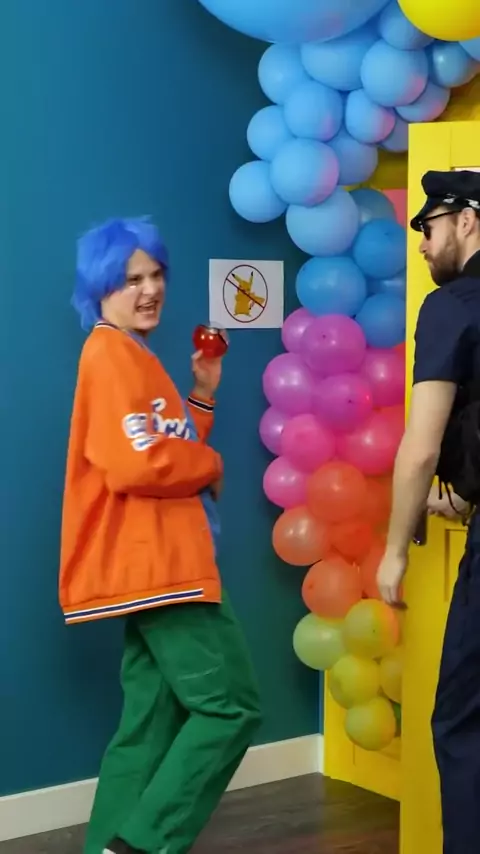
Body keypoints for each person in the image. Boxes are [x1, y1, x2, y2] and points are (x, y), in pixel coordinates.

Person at [59, 217, 261, 854]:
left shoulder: (130, 354)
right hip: (163, 566)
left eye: (156, 275)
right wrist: (213, 463)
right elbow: (135, 465)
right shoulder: (110, 354)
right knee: (231, 708)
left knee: (149, 724)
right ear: (100, 287)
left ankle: (106, 848)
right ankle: (142, 845)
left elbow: (165, 447)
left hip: (151, 565)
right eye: (131, 280)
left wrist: (201, 394)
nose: (149, 290)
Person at [376, 170, 480, 854]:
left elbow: (419, 448)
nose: (421, 241)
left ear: (467, 220)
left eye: (428, 226)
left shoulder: (452, 306)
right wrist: (466, 490)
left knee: (463, 720)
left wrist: (394, 551)